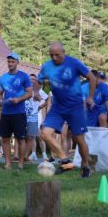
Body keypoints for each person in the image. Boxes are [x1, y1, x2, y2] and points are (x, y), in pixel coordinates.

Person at [37, 42, 96, 178]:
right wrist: (35, 91)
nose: (54, 58)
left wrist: (91, 97)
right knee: (45, 133)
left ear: (64, 52)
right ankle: (65, 160)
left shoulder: (74, 63)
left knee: (79, 139)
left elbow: (91, 78)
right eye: (51, 55)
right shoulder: (47, 66)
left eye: (57, 55)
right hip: (58, 107)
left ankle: (86, 165)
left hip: (75, 106)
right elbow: (38, 80)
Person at [0, 53, 33, 170]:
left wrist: (18, 99)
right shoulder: (3, 78)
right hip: (6, 113)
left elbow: (30, 93)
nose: (10, 64)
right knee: (5, 138)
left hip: (19, 113)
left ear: (17, 63)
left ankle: (21, 164)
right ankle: (7, 163)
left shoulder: (24, 76)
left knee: (20, 138)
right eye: (9, 62)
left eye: (12, 62)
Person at [24, 74, 49, 162]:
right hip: (24, 116)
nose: (31, 81)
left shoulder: (39, 91)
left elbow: (48, 99)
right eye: (30, 79)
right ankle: (33, 154)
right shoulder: (25, 89)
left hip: (35, 116)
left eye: (33, 79)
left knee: (38, 135)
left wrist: (40, 107)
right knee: (30, 137)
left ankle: (44, 154)